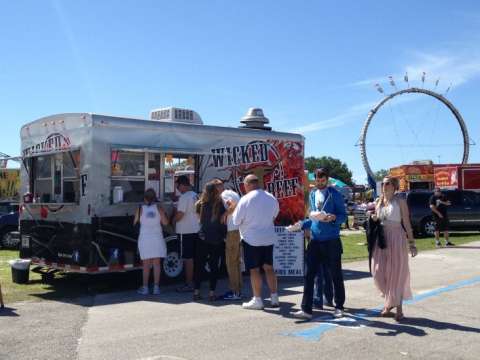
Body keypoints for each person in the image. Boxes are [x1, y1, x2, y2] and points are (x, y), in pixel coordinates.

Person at [293, 168, 347, 320]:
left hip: (331, 240)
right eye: (317, 180)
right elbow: (314, 218)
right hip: (315, 241)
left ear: (327, 180)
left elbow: (343, 215)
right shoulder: (312, 194)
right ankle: (306, 308)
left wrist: (333, 218)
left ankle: (339, 306)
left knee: (335, 275)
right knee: (309, 275)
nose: (320, 183)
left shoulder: (334, 194)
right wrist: (301, 225)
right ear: (315, 179)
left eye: (322, 181)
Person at [371, 176, 417, 321]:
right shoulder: (378, 201)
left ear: (394, 186)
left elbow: (407, 223)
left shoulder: (400, 202)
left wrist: (412, 243)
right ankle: (390, 302)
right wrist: (373, 218)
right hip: (382, 239)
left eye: (388, 183)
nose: (384, 185)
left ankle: (399, 310)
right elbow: (379, 220)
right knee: (378, 271)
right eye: (383, 183)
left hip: (397, 238)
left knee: (396, 273)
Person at [231, 174, 280, 310]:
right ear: (258, 183)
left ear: (247, 185)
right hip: (268, 237)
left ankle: (257, 299)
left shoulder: (245, 199)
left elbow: (236, 221)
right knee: (269, 268)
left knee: (254, 270)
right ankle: (274, 297)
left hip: (251, 239)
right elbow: (275, 215)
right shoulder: (271, 198)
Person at [193, 181, 228, 301]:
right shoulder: (220, 204)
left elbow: (199, 221)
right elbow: (223, 221)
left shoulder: (199, 204)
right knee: (214, 267)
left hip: (202, 238)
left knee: (199, 266)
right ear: (215, 191)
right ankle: (212, 293)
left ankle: (196, 292)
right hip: (216, 238)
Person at [134, 188, 169, 295]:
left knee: (146, 264)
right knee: (157, 264)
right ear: (155, 198)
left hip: (144, 238)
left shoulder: (140, 208)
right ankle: (156, 288)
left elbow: (134, 222)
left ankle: (145, 288)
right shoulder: (159, 208)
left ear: (144, 198)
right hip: (157, 238)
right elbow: (166, 223)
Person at [214, 180, 243, 301]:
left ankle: (234, 292)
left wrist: (223, 214)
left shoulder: (224, 195)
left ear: (217, 188)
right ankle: (238, 291)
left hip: (232, 231)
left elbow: (233, 206)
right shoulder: (232, 193)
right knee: (236, 263)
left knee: (231, 263)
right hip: (239, 230)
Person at [174, 175, 200, 292]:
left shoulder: (184, 197)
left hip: (185, 232)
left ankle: (189, 284)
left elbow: (180, 215)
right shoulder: (195, 195)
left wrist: (172, 220)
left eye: (178, 186)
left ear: (182, 185)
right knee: (194, 258)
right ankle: (195, 282)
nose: (178, 189)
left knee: (188, 259)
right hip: (195, 229)